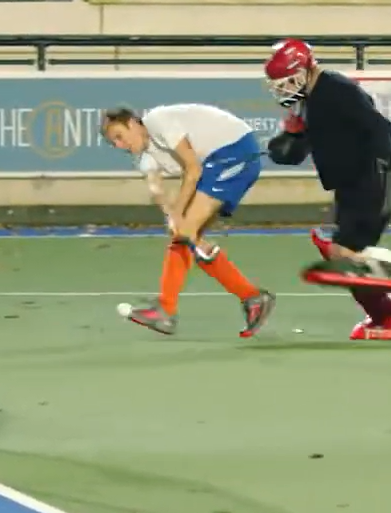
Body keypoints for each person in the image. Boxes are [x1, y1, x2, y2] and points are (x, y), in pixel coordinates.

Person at [262, 38, 391, 341]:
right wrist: (288, 141)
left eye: (288, 82)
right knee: (343, 253)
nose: (284, 90)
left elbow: (381, 128)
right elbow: (298, 150)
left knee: (345, 255)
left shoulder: (336, 90)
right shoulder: (310, 101)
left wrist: (373, 171)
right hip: (352, 184)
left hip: (372, 179)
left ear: (305, 70)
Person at [102, 105, 276, 338]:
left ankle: (165, 309)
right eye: (114, 143)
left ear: (132, 123)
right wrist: (171, 215)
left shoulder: (158, 120)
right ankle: (253, 298)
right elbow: (157, 190)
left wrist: (178, 214)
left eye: (119, 136)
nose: (119, 145)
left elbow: (193, 169)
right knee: (189, 238)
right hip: (219, 163)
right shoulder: (147, 156)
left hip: (233, 152)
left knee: (185, 232)